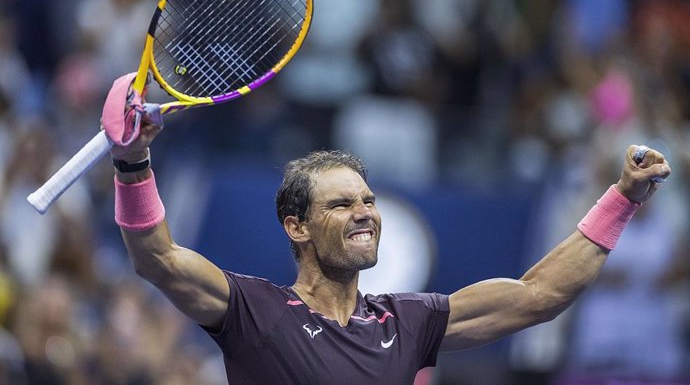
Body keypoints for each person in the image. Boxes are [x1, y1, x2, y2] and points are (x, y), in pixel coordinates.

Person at [107, 82, 671, 384]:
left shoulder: (409, 322)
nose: (364, 213)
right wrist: (133, 160)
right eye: (342, 203)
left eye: (369, 201)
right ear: (295, 226)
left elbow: (539, 297)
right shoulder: (255, 311)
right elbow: (157, 257)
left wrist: (621, 199)